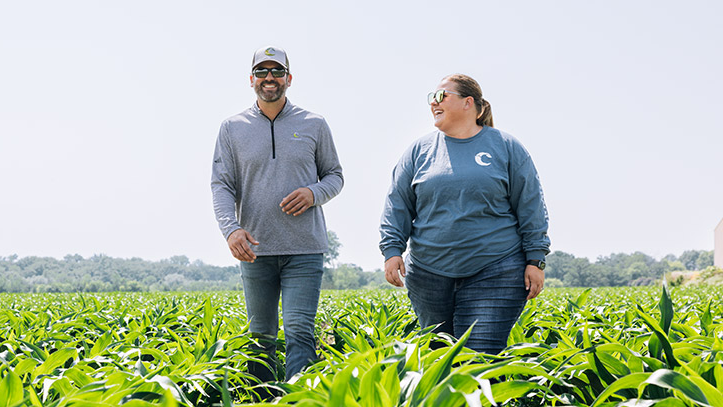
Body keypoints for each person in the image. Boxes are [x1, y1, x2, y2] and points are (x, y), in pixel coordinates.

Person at [379, 73, 550, 354]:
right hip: (428, 274)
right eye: (430, 98)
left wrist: (536, 259)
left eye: (440, 96)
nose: (433, 103)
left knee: (481, 357)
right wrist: (392, 250)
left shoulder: (506, 147)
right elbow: (397, 203)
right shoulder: (419, 151)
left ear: (468, 102)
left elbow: (530, 204)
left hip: (496, 269)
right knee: (439, 356)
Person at [211, 46, 344, 382]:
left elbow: (335, 176)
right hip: (255, 250)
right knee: (260, 336)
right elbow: (222, 185)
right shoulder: (232, 128)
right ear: (251, 79)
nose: (269, 78)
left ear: (289, 78)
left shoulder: (314, 123)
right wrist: (231, 230)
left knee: (300, 331)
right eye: (261, 72)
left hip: (305, 249)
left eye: (276, 72)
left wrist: (313, 193)